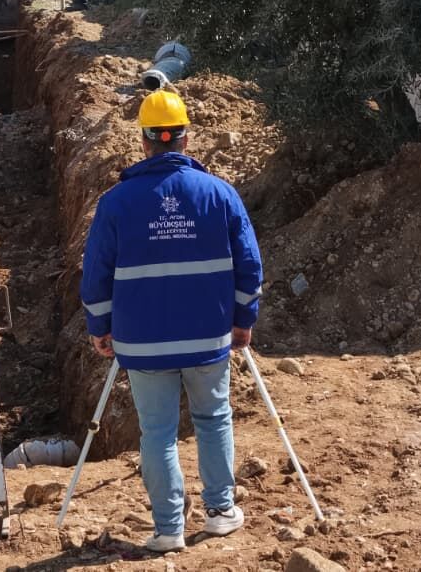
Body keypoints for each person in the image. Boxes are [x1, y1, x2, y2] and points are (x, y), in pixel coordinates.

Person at [79, 90, 263, 554]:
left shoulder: (117, 203)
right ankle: (221, 512)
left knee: (157, 433)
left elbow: (96, 273)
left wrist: (100, 327)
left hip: (143, 343)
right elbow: (249, 267)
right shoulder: (220, 194)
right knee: (214, 418)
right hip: (208, 337)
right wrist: (243, 321)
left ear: (144, 142)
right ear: (186, 137)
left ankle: (167, 529)